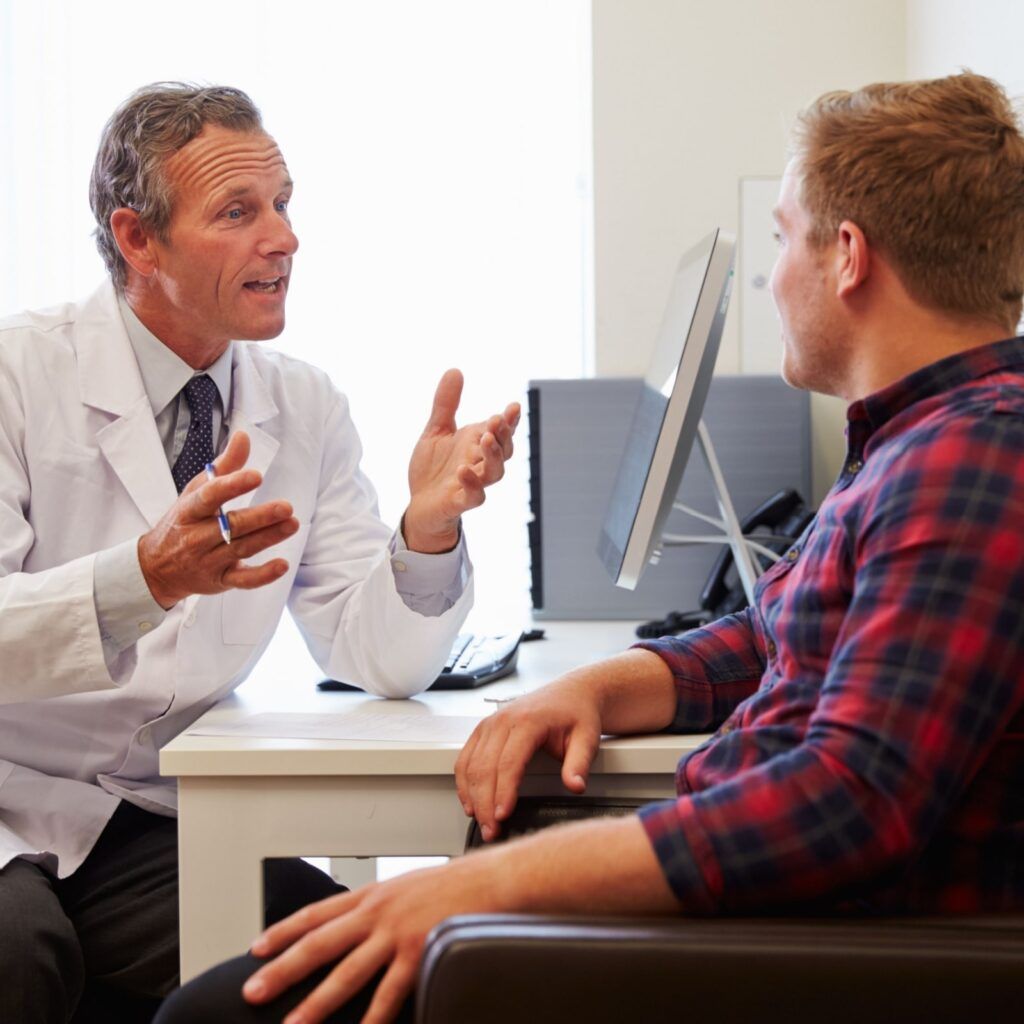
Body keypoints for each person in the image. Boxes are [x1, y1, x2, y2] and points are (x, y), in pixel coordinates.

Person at [155, 70, 1024, 1024]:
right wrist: (594, 689)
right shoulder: (915, 444)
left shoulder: (969, 460)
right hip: (771, 925)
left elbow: (845, 803)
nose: (775, 276)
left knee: (222, 1010)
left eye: (783, 239)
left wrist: (476, 892)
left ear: (848, 256)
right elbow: (766, 640)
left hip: (811, 957)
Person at [0, 82, 519, 1023]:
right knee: (20, 956)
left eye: (283, 204)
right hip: (8, 793)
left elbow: (376, 659)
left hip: (149, 820)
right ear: (137, 239)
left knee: (362, 975)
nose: (283, 238)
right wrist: (144, 579)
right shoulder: (16, 375)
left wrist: (428, 528)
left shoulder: (304, 405)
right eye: (239, 212)